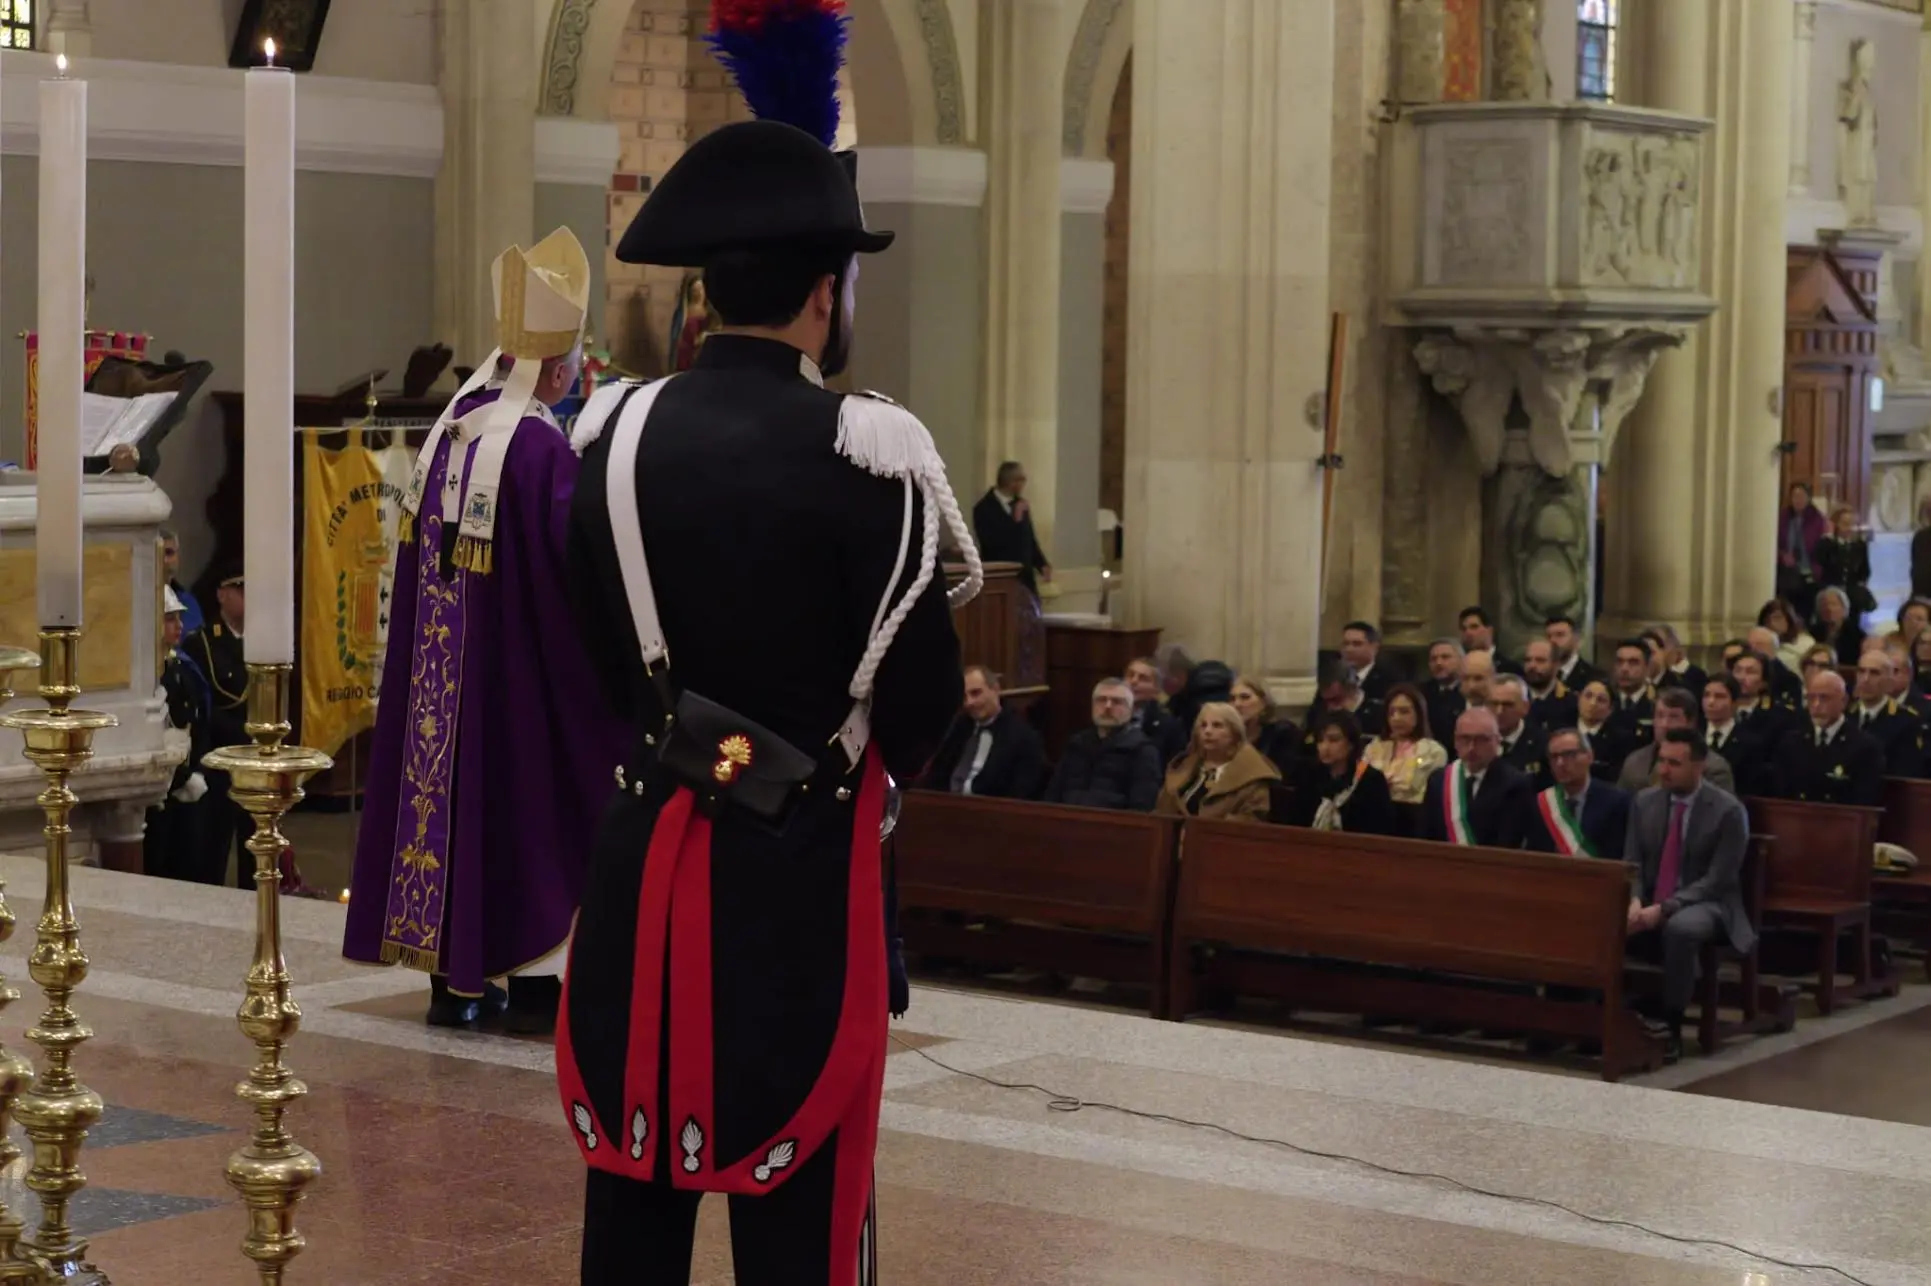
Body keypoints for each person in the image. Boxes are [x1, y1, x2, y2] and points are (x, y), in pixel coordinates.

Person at [555, 84, 974, 1283]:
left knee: (632, 1195)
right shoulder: (871, 454)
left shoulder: (614, 440)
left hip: (642, 865)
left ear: (703, 291)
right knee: (800, 1222)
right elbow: (916, 706)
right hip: (799, 885)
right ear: (824, 293)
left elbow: (595, 655)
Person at [344, 227, 626, 1035]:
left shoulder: (450, 428)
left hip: (446, 682)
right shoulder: (536, 447)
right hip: (512, 681)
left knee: (454, 801)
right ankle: (536, 985)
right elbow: (578, 573)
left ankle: (453, 985)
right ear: (560, 367)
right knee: (535, 798)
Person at [1625, 728, 1755, 1062]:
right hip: (1654, 897)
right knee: (1604, 914)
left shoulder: (1728, 811)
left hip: (1709, 903)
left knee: (1680, 927)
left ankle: (1672, 1023)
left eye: (1674, 763)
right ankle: (1610, 1012)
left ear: (1698, 766)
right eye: (1661, 762)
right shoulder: (1645, 801)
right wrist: (1635, 899)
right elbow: (1632, 864)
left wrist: (1665, 907)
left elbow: (1717, 879)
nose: (1664, 770)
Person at [182, 568, 251, 888]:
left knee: (256, 846)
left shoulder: (263, 643)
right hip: (221, 757)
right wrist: (244, 734)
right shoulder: (205, 643)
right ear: (222, 595)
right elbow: (207, 704)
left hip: (254, 760)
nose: (247, 597)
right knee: (215, 847)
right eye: (239, 589)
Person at [145, 587, 210, 882]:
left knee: (190, 865)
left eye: (179, 618)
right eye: (169, 618)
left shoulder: (184, 667)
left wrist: (192, 770)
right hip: (156, 791)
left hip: (186, 781)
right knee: (156, 867)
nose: (178, 626)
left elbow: (198, 721)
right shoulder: (146, 674)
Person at [919, 665, 1045, 799]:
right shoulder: (960, 726)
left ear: (995, 689)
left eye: (976, 693)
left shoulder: (1023, 737)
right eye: (964, 697)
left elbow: (1020, 794)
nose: (969, 703)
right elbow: (937, 776)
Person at [1420, 707, 1533, 848]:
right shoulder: (1439, 780)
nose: (1472, 747)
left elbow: (1508, 841)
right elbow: (1427, 835)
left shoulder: (1514, 784)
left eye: (1481, 740)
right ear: (1455, 740)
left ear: (1497, 741)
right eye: (1465, 739)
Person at [1045, 679, 1163, 811]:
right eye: (1101, 700)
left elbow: (1142, 806)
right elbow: (1053, 795)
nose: (1107, 706)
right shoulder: (1077, 744)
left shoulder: (1143, 750)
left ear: (1131, 710)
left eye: (1117, 702)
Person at [1772, 668, 1885, 806]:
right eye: (1811, 698)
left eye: (1824, 698)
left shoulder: (1865, 746)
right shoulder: (1791, 741)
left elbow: (1862, 802)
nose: (1816, 705)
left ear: (1843, 701)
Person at [1155, 702, 1280, 822]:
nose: (1207, 731)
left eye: (1217, 725)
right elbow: (1161, 813)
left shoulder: (1252, 776)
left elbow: (1250, 822)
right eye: (1203, 725)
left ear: (1235, 733)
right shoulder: (1182, 768)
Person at [1284, 710, 1397, 835]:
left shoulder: (1371, 780)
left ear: (1351, 743)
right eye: (1320, 740)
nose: (1325, 747)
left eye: (1333, 740)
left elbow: (1379, 831)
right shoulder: (1309, 776)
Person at [1525, 727, 1630, 861]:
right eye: (1554, 757)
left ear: (1590, 756)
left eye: (1569, 755)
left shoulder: (1616, 802)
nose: (1560, 763)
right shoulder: (1543, 803)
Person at [1362, 682, 1448, 835]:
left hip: (1413, 822)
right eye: (1391, 712)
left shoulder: (1433, 751)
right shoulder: (1374, 747)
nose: (1396, 718)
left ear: (1419, 713)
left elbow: (1416, 790)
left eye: (1404, 712)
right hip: (1374, 820)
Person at [1616, 687, 1736, 795]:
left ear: (1691, 723)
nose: (1665, 724)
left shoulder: (1714, 768)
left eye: (1674, 717)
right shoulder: (1634, 762)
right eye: (1660, 716)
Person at [972, 460, 1052, 595]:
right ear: (1010, 481)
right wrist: (1016, 520)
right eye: (1021, 479)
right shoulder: (983, 509)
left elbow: (1029, 539)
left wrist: (1042, 564)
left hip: (1025, 579)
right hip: (1000, 579)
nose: (1024, 483)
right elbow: (991, 544)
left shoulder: (1020, 504)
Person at [1849, 648, 1923, 778]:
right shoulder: (1845, 715)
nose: (1865, 679)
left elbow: (1904, 771)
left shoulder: (1906, 721)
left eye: (1874, 673)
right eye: (1861, 671)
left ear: (1889, 681)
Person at [1229, 674, 1300, 771]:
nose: (1237, 704)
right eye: (1232, 699)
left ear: (1263, 702)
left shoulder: (1282, 735)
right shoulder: (1227, 737)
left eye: (1245, 697)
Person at [1490, 675, 1550, 789]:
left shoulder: (1544, 745)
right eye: (1494, 704)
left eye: (1508, 705)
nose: (1499, 711)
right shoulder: (1478, 740)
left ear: (1525, 707)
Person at [1776, 481, 1827, 615]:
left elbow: (1820, 546)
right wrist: (1783, 555)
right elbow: (1775, 543)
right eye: (1795, 496)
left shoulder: (1817, 519)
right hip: (1787, 571)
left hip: (1810, 568)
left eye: (1802, 496)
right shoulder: (1783, 517)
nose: (1798, 500)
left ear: (1808, 498)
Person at [1123, 655, 1185, 761]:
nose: (1133, 681)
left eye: (1143, 678)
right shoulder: (1110, 714)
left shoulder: (1168, 726)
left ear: (1157, 689)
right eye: (1130, 675)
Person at [1816, 505, 1874, 617]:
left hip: (1852, 593)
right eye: (1845, 523)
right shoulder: (1826, 544)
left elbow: (1865, 570)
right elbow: (1822, 564)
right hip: (1831, 591)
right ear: (1837, 524)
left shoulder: (1859, 545)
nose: (1849, 528)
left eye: (1852, 524)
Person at [1575, 678, 1629, 783]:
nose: (1592, 703)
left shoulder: (1619, 740)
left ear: (1610, 709)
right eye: (1588, 696)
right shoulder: (1561, 729)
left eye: (1601, 700)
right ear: (1579, 698)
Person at [1521, 639, 1578, 730]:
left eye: (1540, 660)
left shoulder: (1572, 703)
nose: (1532, 666)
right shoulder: (1515, 698)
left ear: (1556, 665)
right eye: (1528, 660)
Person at [159, 528, 204, 636]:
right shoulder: (137, 601)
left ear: (178, 557)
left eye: (169, 553)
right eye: (158, 553)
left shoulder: (189, 603)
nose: (164, 560)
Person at [1756, 600, 1815, 676]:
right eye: (1767, 620)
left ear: (1789, 619)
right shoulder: (1759, 645)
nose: (1771, 623)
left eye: (1777, 618)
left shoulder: (1806, 644)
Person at [1340, 621, 1393, 703]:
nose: (1349, 649)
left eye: (1357, 644)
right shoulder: (1334, 677)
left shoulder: (1389, 679)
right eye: (1345, 644)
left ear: (1374, 647)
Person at [1811, 586, 1865, 666]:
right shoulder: (1812, 633)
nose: (1829, 609)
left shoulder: (1857, 635)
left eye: (1834, 604)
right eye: (1824, 605)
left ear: (1844, 608)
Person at [1544, 615, 1596, 689]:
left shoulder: (1593, 677)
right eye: (1548, 636)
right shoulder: (1540, 674)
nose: (1553, 641)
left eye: (1560, 635)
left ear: (1576, 639)